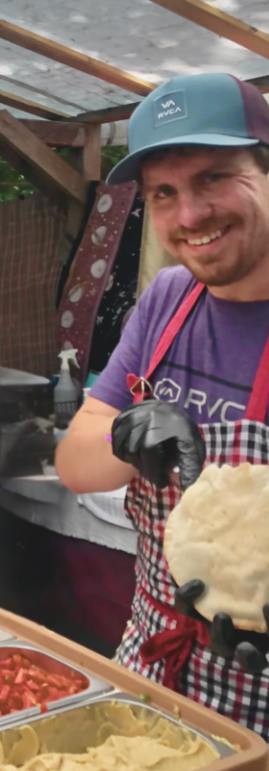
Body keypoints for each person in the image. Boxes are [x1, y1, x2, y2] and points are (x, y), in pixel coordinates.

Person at [56, 72, 269, 742]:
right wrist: (123, 433)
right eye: (164, 193)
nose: (189, 215)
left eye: (213, 177)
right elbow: (75, 464)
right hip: (154, 656)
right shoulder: (168, 299)